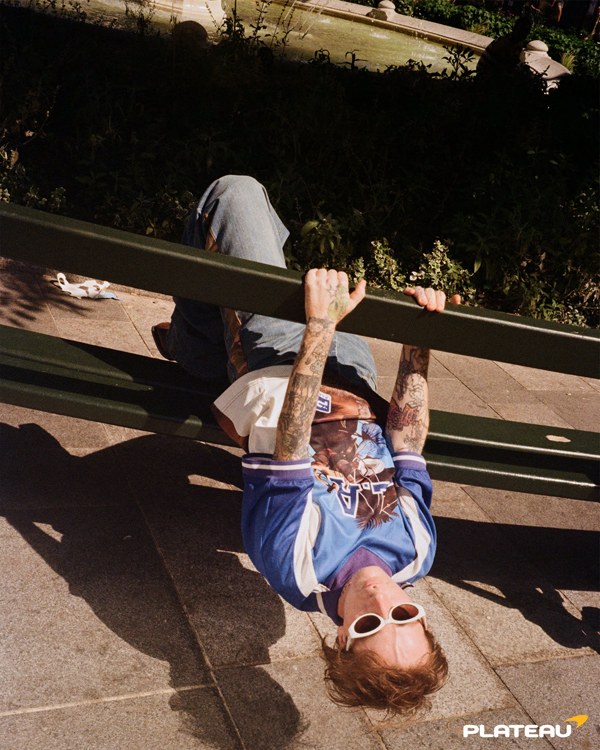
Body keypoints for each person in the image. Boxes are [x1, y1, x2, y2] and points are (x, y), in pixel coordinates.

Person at [152, 175, 459, 718]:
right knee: (262, 264)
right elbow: (406, 443)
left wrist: (318, 326)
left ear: (341, 638)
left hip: (282, 364)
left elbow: (291, 444)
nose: (383, 601)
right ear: (423, 618)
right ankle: (193, 343)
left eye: (370, 624)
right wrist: (420, 340)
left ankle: (196, 341)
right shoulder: (417, 551)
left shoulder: (296, 565)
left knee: (236, 195)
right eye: (405, 615)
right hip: (355, 372)